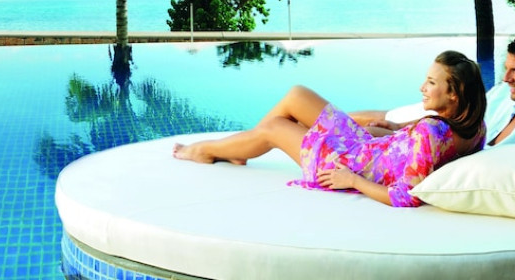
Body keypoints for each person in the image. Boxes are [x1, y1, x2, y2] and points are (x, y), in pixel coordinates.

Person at [172, 51, 487, 207]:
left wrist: (351, 180)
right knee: (297, 95)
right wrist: (395, 128)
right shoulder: (475, 127)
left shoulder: (432, 134)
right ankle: (241, 147)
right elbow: (428, 138)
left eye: (431, 83)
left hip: (347, 164)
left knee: (274, 127)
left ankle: (207, 150)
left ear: (454, 94)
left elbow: (406, 197)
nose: (422, 87)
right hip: (364, 147)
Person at [355, 39, 515, 146]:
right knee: (376, 120)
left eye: (514, 70)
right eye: (506, 69)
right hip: (443, 114)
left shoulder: (435, 136)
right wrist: (399, 126)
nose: (506, 78)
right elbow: (466, 116)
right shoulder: (503, 93)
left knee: (362, 133)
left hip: (440, 132)